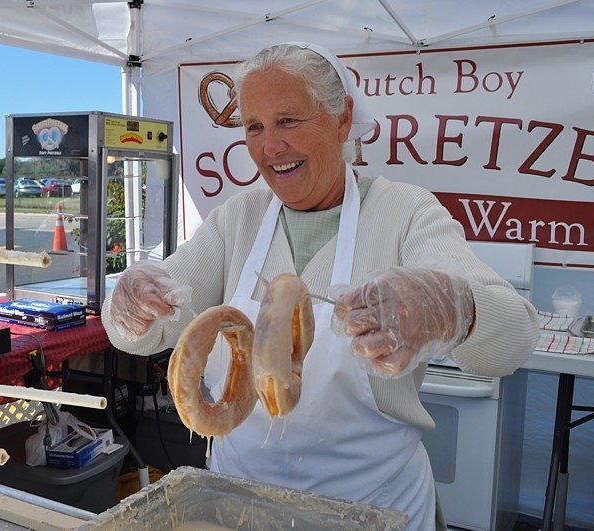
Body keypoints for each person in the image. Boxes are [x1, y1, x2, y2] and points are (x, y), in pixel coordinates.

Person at [102, 43, 539, 530]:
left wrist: (455, 308)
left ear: (342, 119)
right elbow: (148, 328)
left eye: (288, 120)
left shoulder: (406, 213)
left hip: (370, 505)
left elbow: (514, 340)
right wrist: (129, 303)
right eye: (254, 127)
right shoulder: (238, 218)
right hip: (238, 500)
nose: (270, 147)